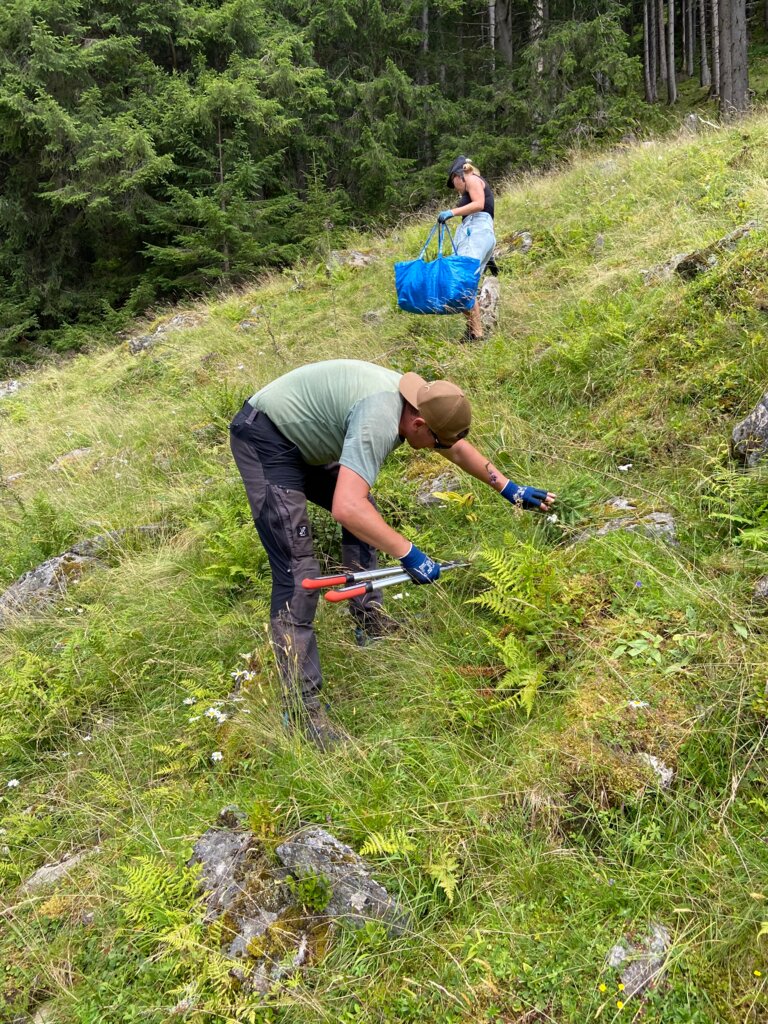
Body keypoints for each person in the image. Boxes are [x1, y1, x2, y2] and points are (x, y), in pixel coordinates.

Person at [230, 359, 555, 749]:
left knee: (368, 521)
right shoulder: (379, 419)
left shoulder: (417, 403)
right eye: (436, 442)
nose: (437, 450)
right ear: (418, 425)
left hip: (302, 439)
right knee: (300, 574)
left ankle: (370, 623)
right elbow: (346, 507)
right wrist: (409, 553)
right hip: (265, 438)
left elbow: (453, 446)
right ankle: (302, 710)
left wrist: (507, 487)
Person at [437, 156, 497, 343]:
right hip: (480, 233)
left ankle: (477, 334)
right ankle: (473, 331)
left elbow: (479, 204)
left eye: (453, 182)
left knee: (461, 281)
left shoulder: (471, 179)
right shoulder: (474, 182)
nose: (455, 187)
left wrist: (451, 212)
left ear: (457, 176)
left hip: (475, 231)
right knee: (466, 285)